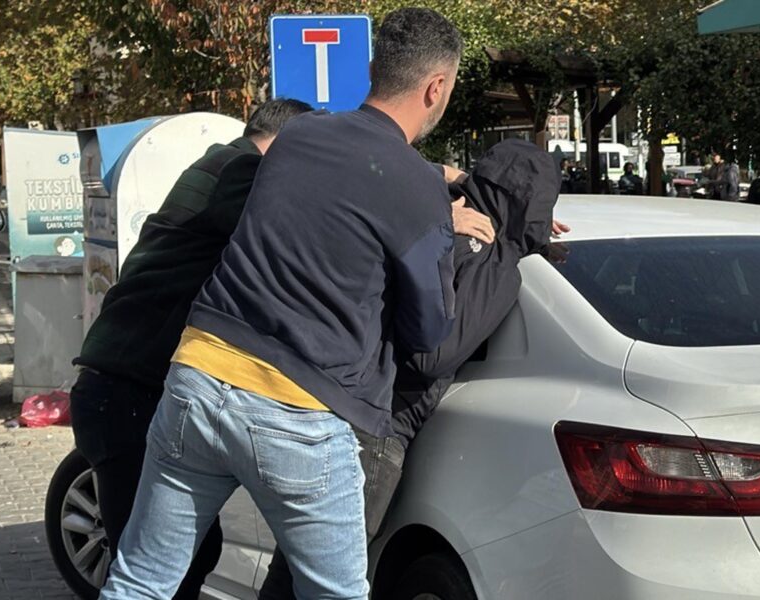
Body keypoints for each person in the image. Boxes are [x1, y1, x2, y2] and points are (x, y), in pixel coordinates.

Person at [97, 8, 467, 600]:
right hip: (300, 407)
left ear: (374, 68)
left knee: (141, 580)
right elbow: (427, 329)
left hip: (199, 374)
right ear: (436, 87)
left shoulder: (298, 135)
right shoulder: (417, 185)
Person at [258, 138, 563, 600]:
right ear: (534, 205)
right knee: (324, 584)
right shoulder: (494, 261)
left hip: (325, 401)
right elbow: (435, 356)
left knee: (294, 575)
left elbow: (375, 171)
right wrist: (516, 247)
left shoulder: (425, 216)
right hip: (379, 428)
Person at [68, 98, 314, 600]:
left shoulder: (221, 163)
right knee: (156, 570)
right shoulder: (241, 172)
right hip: (125, 391)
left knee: (189, 554)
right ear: (289, 145)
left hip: (123, 386)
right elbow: (308, 229)